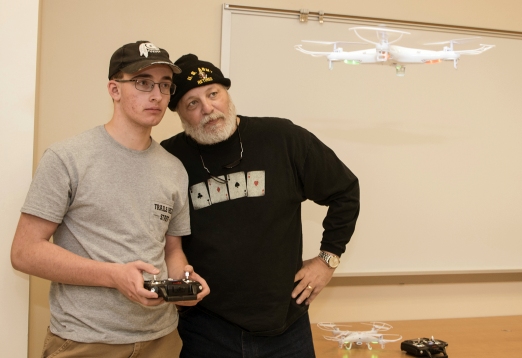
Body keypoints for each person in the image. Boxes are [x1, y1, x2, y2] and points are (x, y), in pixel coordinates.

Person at [10, 41, 209, 358]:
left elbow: (172, 250)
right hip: (85, 342)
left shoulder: (174, 169)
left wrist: (182, 281)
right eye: (143, 83)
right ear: (114, 90)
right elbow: (24, 252)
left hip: (163, 341)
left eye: (165, 85)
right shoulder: (68, 158)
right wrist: (114, 277)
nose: (156, 95)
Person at [161, 54, 360, 358]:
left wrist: (327, 260)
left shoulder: (282, 139)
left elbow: (345, 190)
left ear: (226, 93)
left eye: (213, 94)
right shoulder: (168, 159)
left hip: (286, 327)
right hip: (206, 329)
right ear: (179, 113)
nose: (208, 109)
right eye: (192, 103)